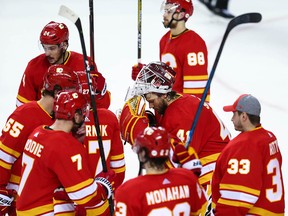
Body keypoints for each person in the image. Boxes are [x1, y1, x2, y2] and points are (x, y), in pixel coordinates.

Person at [122, 61, 230, 196]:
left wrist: (140, 135)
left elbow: (174, 164)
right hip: (205, 169)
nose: (150, 106)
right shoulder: (169, 103)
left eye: (151, 100)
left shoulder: (183, 115)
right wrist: (151, 124)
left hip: (215, 177)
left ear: (163, 93)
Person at [16, 90, 114, 215]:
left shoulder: (38, 132)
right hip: (44, 212)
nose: (85, 119)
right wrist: (103, 187)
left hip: (24, 210)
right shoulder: (65, 145)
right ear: (77, 116)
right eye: (83, 114)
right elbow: (85, 197)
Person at [0, 64, 79, 216]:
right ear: (57, 92)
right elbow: (3, 156)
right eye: (69, 93)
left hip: (43, 198)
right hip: (19, 196)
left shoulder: (59, 119)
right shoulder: (24, 114)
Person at [54, 71, 126, 216]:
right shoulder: (109, 118)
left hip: (68, 203)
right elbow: (119, 171)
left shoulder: (63, 122)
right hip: (102, 202)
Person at [211, 94, 285, 215]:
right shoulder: (268, 137)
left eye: (234, 114)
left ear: (244, 116)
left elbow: (239, 196)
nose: (231, 119)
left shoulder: (245, 146)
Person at [16, 21, 110, 109]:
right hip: (44, 123)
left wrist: (99, 94)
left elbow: (101, 107)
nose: (47, 53)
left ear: (64, 45)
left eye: (52, 48)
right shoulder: (34, 66)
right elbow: (23, 107)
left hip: (77, 122)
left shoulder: (84, 63)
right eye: (45, 47)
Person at [114, 126, 207, 215]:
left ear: (142, 154)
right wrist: (192, 175)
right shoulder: (188, 179)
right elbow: (203, 209)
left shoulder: (127, 191)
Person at [132, 0, 210, 102]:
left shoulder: (194, 43)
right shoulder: (164, 40)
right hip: (165, 106)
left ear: (182, 14)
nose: (164, 15)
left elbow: (196, 90)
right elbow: (166, 78)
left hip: (181, 110)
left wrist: (188, 114)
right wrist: (146, 74)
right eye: (165, 10)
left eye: (168, 11)